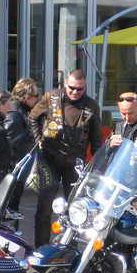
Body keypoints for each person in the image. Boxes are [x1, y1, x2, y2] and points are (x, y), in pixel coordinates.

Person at [29, 69, 102, 246]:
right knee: (45, 204)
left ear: (85, 87)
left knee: (74, 207)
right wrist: (38, 140)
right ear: (65, 84)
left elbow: (96, 138)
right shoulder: (52, 97)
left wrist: (98, 165)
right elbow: (32, 118)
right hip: (49, 158)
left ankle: (70, 248)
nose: (75, 92)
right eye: (72, 88)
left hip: (74, 161)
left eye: (80, 89)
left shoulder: (91, 106)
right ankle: (41, 247)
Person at [4, 77, 40, 212]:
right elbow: (7, 145)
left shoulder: (21, 112)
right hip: (13, 171)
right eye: (36, 95)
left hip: (17, 169)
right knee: (10, 208)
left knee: (13, 206)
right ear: (26, 97)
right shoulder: (14, 115)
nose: (38, 98)